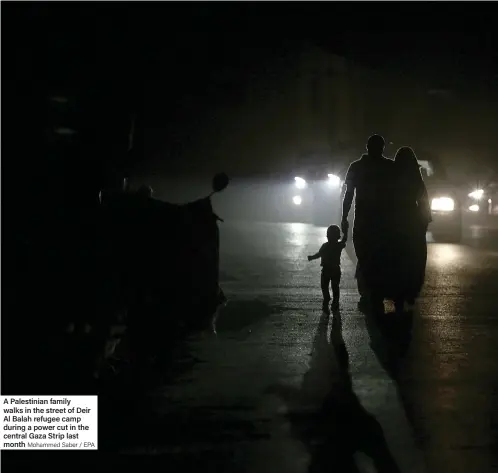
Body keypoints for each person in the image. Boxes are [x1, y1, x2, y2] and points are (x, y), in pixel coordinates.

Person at [341, 134, 396, 312]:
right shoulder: (389, 167)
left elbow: (349, 194)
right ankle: (375, 293)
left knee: (365, 257)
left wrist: (344, 216)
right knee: (378, 257)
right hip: (382, 221)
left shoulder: (356, 167)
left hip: (365, 220)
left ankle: (367, 293)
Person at [391, 147, 432, 310]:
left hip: (395, 223)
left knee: (396, 260)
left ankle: (397, 293)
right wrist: (423, 224)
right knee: (414, 260)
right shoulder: (417, 180)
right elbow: (424, 204)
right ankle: (410, 291)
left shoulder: (391, 178)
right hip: (413, 223)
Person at [308, 224, 348, 313]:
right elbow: (344, 240)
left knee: (327, 286)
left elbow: (319, 254)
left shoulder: (326, 246)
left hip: (328, 270)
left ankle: (330, 299)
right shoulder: (338, 245)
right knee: (333, 287)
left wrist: (312, 257)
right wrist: (346, 231)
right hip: (333, 270)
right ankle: (333, 301)